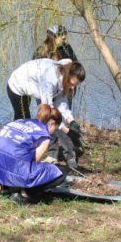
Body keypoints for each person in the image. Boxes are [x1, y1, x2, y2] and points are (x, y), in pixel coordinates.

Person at [6, 58, 85, 168]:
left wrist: (71, 121)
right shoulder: (50, 79)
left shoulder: (64, 76)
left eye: (75, 85)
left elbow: (61, 103)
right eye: (72, 84)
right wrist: (67, 131)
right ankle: (20, 158)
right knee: (24, 122)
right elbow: (49, 113)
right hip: (17, 85)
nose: (73, 87)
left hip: (30, 84)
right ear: (68, 75)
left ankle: (20, 153)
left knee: (25, 124)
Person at [0, 104, 67, 202]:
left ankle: (6, 187)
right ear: (51, 123)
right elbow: (34, 161)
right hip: (13, 170)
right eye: (55, 128)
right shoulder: (44, 136)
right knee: (61, 173)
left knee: (11, 159)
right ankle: (23, 193)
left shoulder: (21, 121)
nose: (54, 132)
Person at [33, 24, 80, 164]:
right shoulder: (41, 51)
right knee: (50, 121)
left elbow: (75, 68)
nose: (65, 38)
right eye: (62, 36)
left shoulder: (67, 48)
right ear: (53, 36)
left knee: (64, 120)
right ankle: (52, 153)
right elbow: (34, 72)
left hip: (64, 90)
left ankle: (70, 154)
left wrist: (71, 87)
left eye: (65, 35)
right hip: (45, 92)